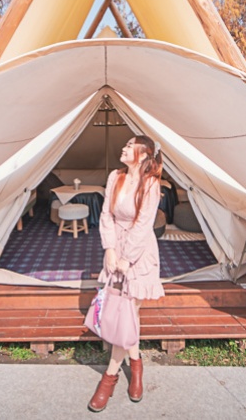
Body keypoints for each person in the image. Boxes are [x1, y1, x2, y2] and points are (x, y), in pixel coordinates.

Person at [88, 135, 165, 412]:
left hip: (139, 253)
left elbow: (144, 225)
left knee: (127, 314)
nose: (124, 148)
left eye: (129, 146)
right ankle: (137, 366)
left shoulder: (151, 184)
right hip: (115, 247)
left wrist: (125, 258)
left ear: (143, 155)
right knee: (127, 315)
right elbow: (106, 215)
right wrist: (109, 250)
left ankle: (108, 379)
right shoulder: (115, 177)